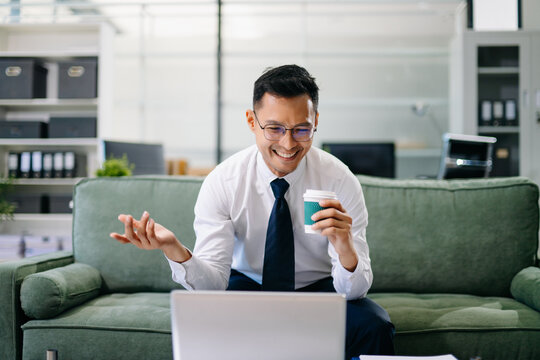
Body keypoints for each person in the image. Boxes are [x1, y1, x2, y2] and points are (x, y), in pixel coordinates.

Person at [110, 64, 395, 359]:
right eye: (274, 128)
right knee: (203, 321)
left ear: (315, 121)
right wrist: (174, 248)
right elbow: (211, 287)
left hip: (319, 288)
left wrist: (345, 247)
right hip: (247, 284)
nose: (288, 144)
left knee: (374, 326)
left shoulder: (339, 180)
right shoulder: (224, 182)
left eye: (301, 129)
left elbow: (354, 292)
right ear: (251, 121)